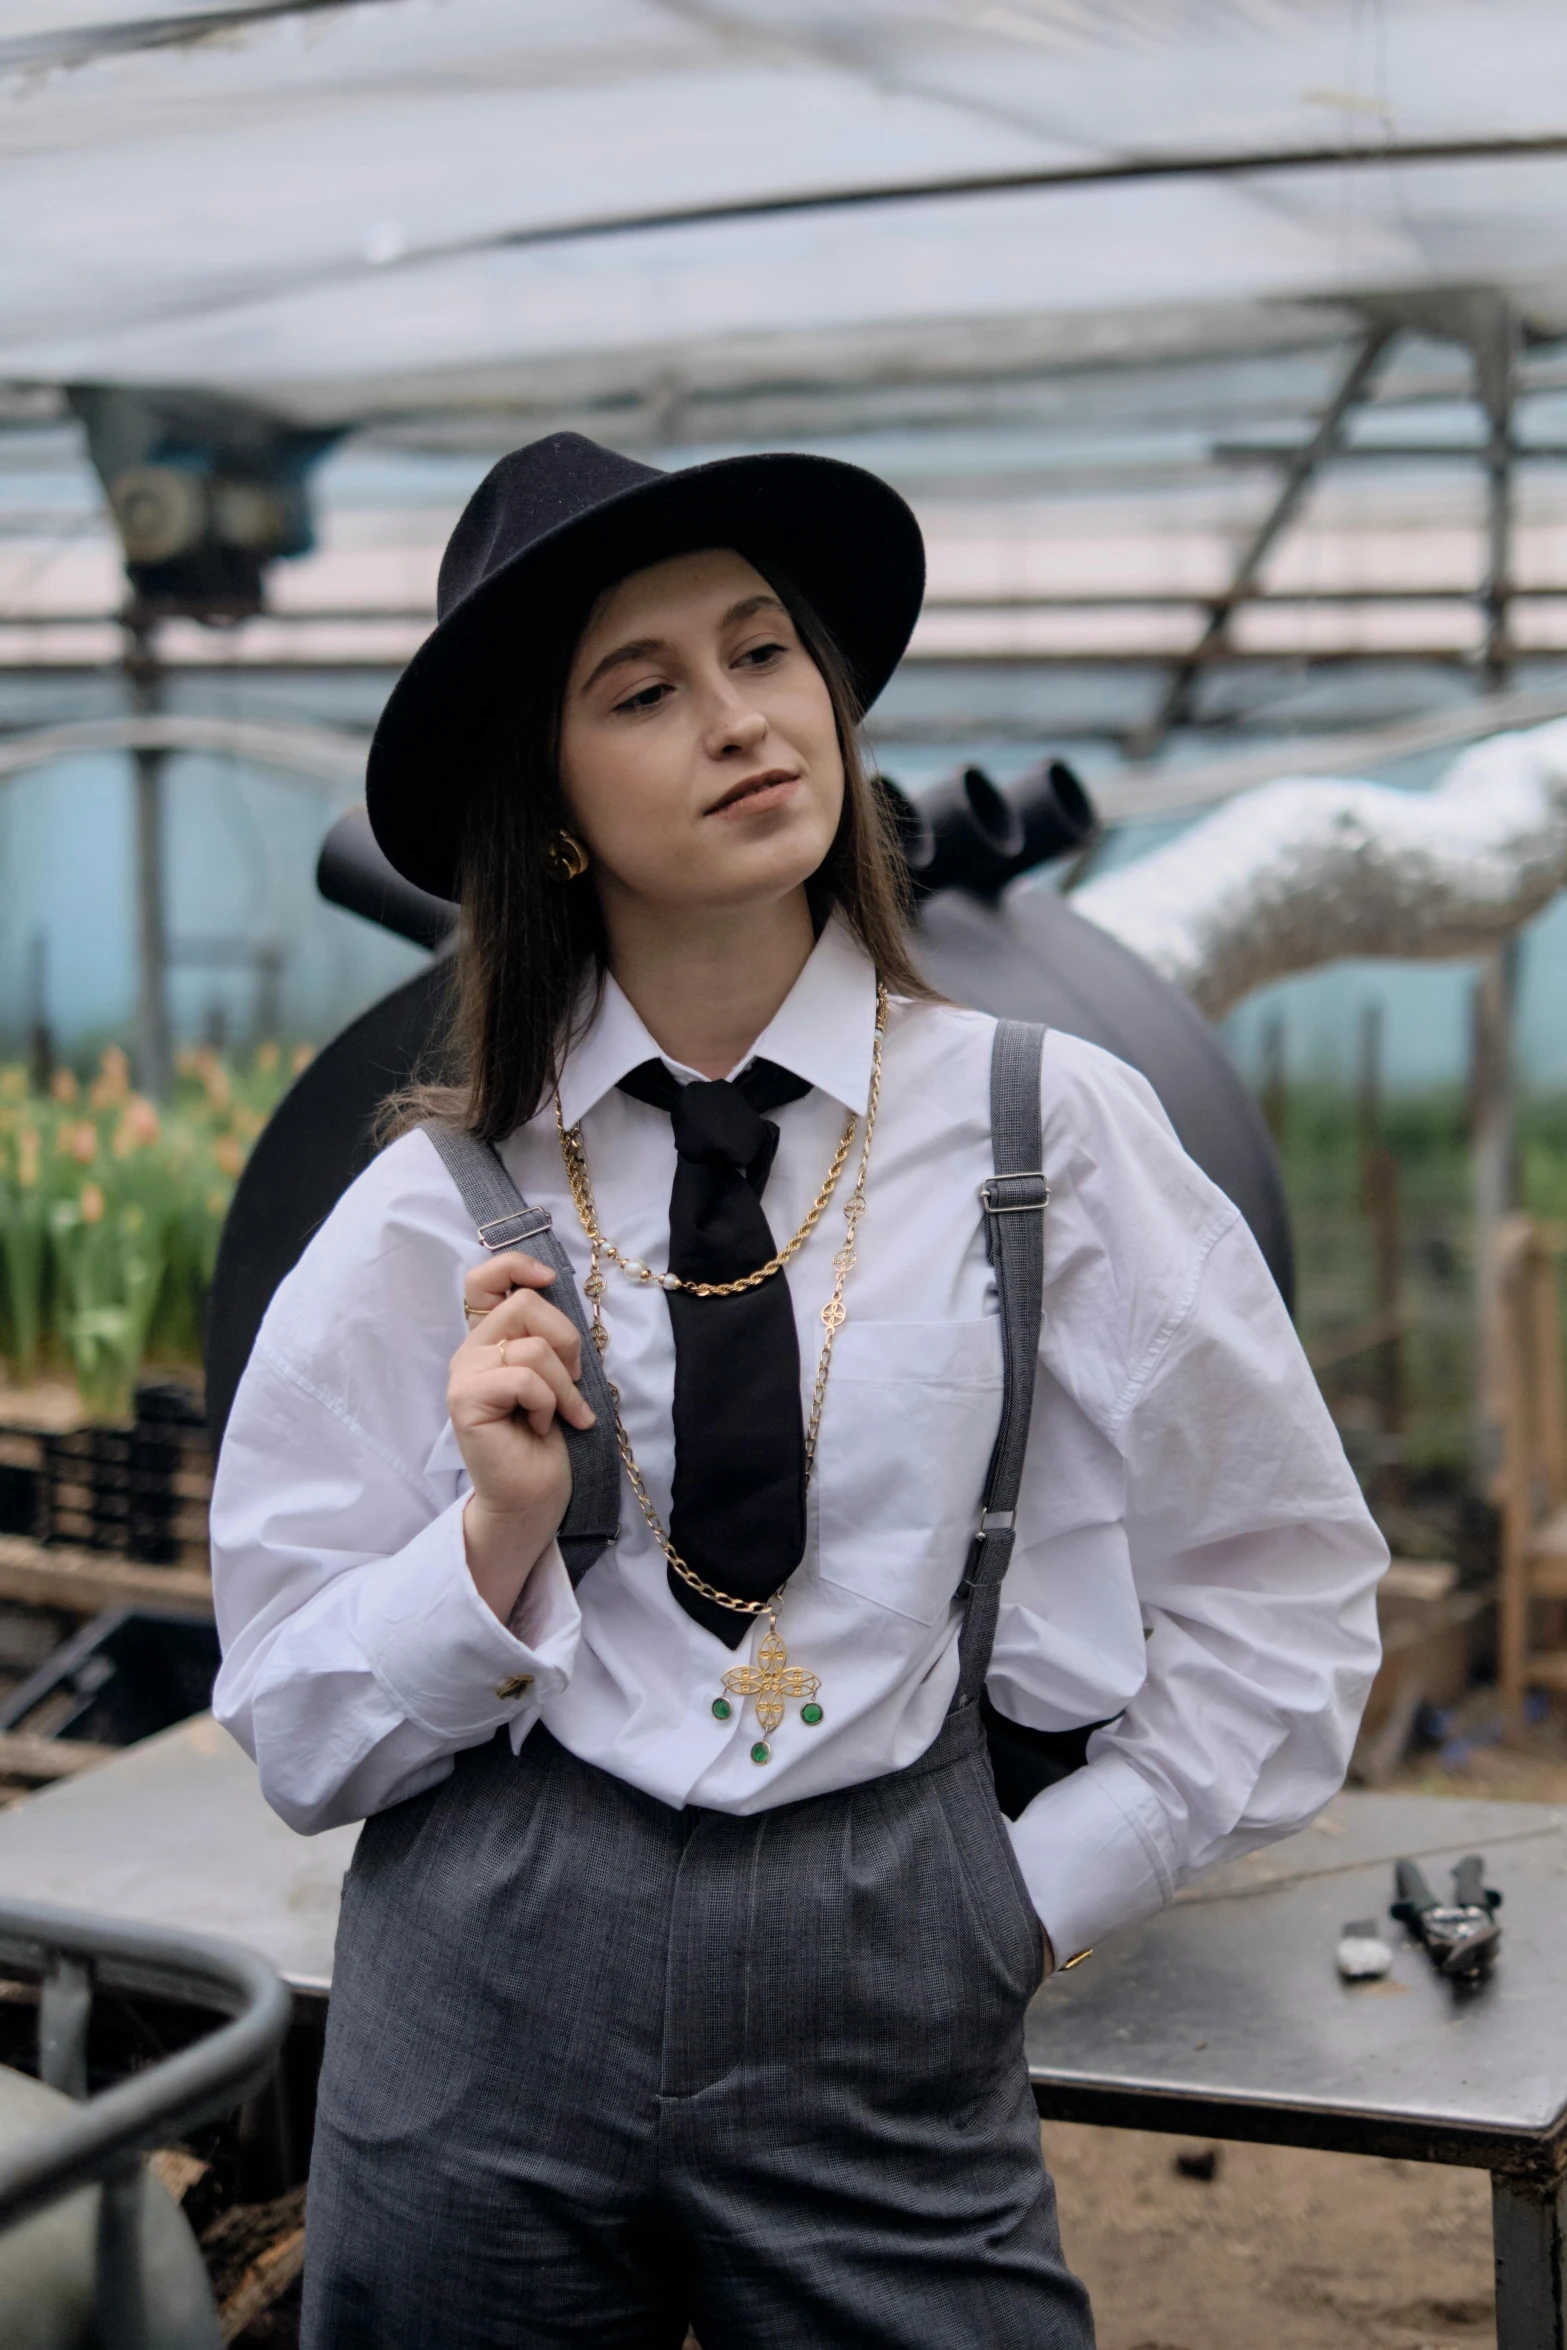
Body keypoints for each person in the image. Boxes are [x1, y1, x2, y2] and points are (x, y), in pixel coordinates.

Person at [211, 431, 1386, 2350]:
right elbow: (286, 1724)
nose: (742, 717)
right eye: (645, 689)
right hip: (479, 1996)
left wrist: (1025, 1895)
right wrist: (489, 1539)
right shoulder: (430, 1203)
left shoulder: (1045, 1127)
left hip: (890, 1974)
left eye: (764, 653)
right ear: (555, 806)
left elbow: (1285, 1580)